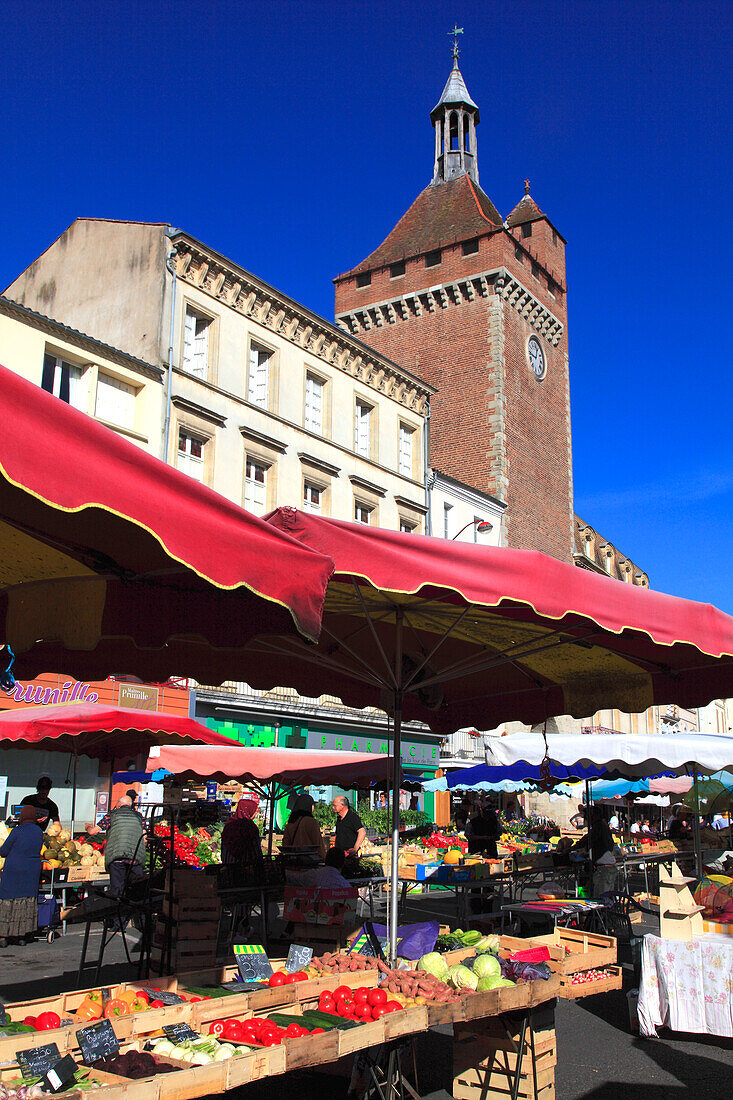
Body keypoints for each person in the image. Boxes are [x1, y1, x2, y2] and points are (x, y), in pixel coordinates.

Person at [0, 806, 44, 946]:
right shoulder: (39, 832)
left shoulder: (17, 831)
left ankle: (3, 937)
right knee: (26, 901)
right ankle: (22, 936)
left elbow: (4, 851)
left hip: (14, 870)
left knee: (9, 901)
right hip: (31, 871)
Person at [104, 795, 146, 897]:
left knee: (117, 893)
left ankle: (118, 909)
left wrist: (87, 827)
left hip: (117, 858)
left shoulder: (111, 815)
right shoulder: (139, 817)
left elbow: (93, 831)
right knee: (136, 891)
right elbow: (145, 839)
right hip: (135, 858)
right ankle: (135, 911)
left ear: (118, 804)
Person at [573, 807, 617, 897]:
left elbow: (588, 839)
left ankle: (603, 911)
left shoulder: (599, 826)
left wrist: (573, 848)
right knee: (605, 897)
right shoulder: (602, 826)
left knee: (601, 898)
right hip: (607, 867)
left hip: (604, 869)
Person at [281, 794, 326, 863]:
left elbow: (285, 844)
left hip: (293, 864)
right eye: (313, 805)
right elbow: (318, 843)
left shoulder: (290, 823)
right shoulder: (311, 822)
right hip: (308, 863)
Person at [221, 797, 263, 870]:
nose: (255, 814)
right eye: (254, 811)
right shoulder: (250, 828)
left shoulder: (229, 825)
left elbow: (223, 848)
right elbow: (256, 852)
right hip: (247, 869)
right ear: (248, 810)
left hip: (228, 868)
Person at [287, 846, 351, 889]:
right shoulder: (344, 885)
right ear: (342, 864)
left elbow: (293, 877)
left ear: (326, 860)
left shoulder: (313, 875)